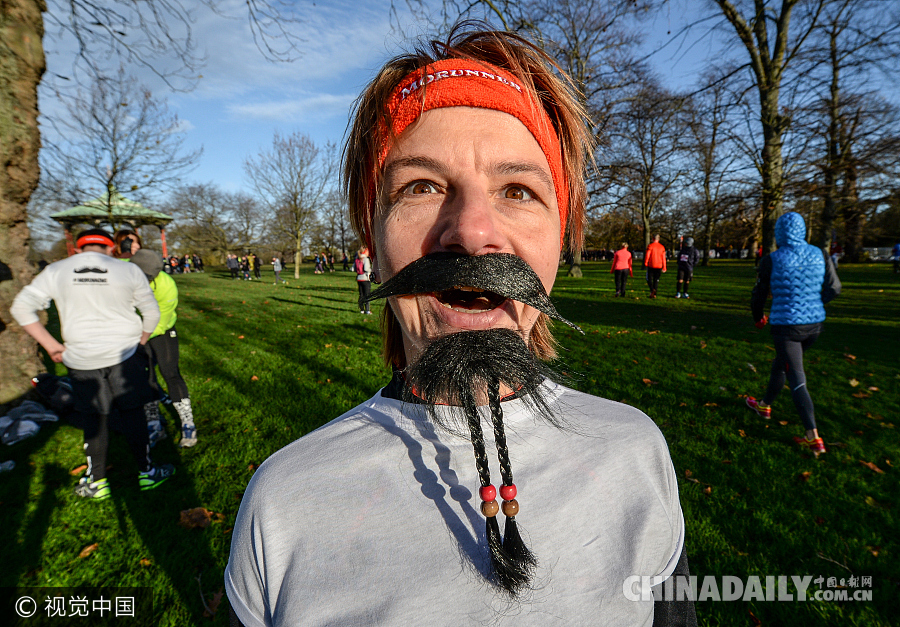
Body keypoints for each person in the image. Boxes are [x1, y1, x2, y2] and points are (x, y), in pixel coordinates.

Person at [225, 26, 693, 627]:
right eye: (422, 186)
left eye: (518, 190)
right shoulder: (283, 502)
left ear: (563, 238)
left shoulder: (636, 451)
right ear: (372, 236)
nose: (472, 231)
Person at [10, 229, 175, 499]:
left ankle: (97, 482)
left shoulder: (57, 270)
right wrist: (142, 340)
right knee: (134, 414)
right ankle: (147, 473)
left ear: (76, 248)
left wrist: (51, 345)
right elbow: (151, 311)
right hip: (126, 355)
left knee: (94, 418)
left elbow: (20, 307)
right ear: (111, 248)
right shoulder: (128, 270)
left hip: (82, 359)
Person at [746, 212, 841, 457]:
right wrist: (814, 302)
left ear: (779, 233)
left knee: (796, 376)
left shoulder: (772, 259)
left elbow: (759, 293)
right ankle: (764, 406)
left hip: (786, 327)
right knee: (782, 364)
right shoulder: (820, 254)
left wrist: (758, 317)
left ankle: (813, 437)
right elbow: (835, 288)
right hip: (814, 326)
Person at [130, 250, 198, 448]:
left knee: (170, 373)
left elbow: (162, 320)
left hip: (162, 330)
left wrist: (140, 338)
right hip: (135, 331)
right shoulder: (124, 271)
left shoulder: (166, 286)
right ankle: (154, 424)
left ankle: (188, 423)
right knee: (145, 378)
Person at [643, 234, 666, 298]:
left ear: (653, 238)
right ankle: (654, 293)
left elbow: (647, 255)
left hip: (651, 265)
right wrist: (664, 266)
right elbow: (663, 257)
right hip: (659, 265)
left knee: (649, 278)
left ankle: (652, 289)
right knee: (656, 280)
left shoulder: (650, 246)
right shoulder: (662, 247)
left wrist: (646, 262)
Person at [354, 247, 372, 315]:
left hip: (359, 278)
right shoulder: (366, 259)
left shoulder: (357, 259)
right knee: (367, 295)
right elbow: (366, 269)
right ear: (365, 251)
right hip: (365, 278)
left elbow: (355, 269)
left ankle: (361, 310)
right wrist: (370, 271)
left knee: (361, 294)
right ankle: (367, 310)